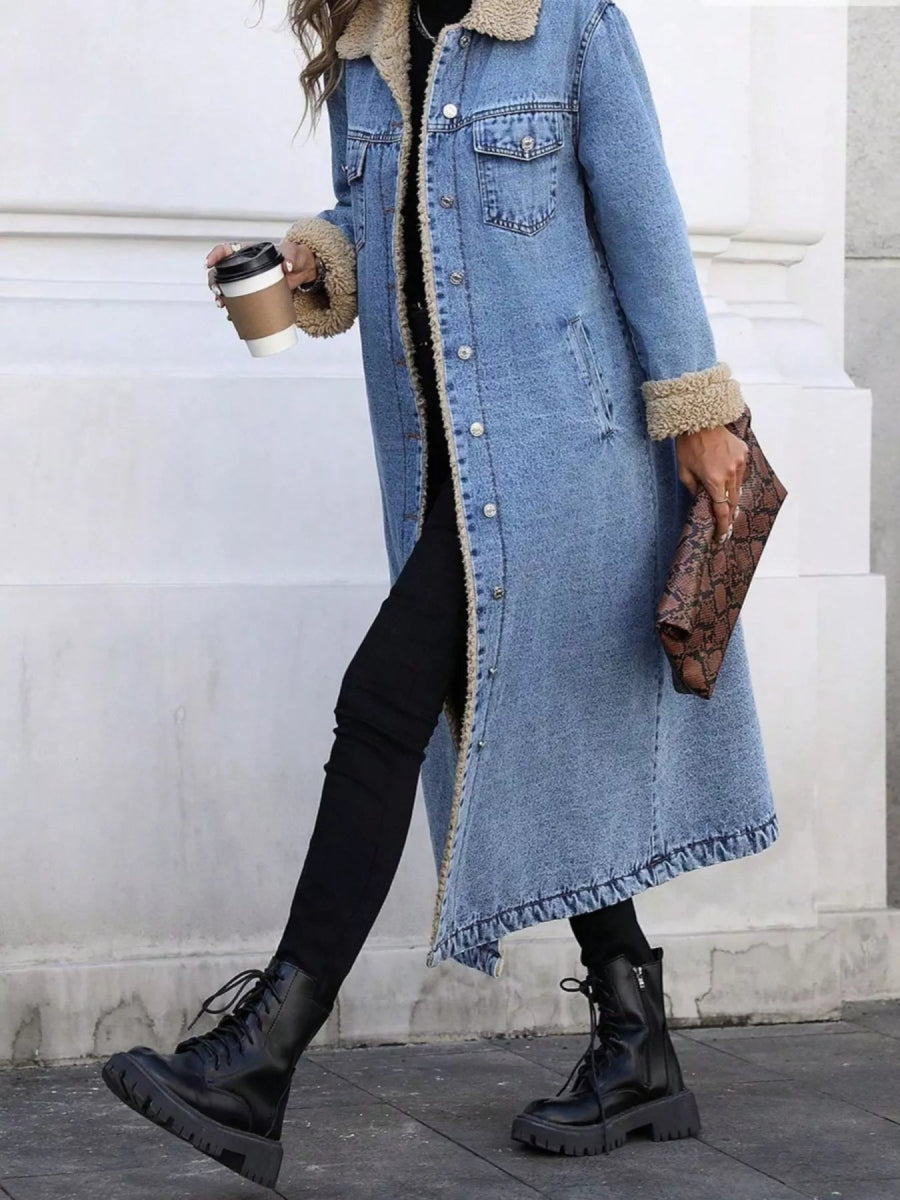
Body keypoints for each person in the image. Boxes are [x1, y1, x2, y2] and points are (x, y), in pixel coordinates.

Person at [101, 0, 779, 1189]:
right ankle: (638, 1044)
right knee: (520, 731)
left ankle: (260, 1057)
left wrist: (702, 414)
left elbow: (645, 224)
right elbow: (386, 227)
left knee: (381, 707)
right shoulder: (370, 47)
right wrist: (309, 263)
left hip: (566, 461)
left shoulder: (570, 25)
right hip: (446, 475)